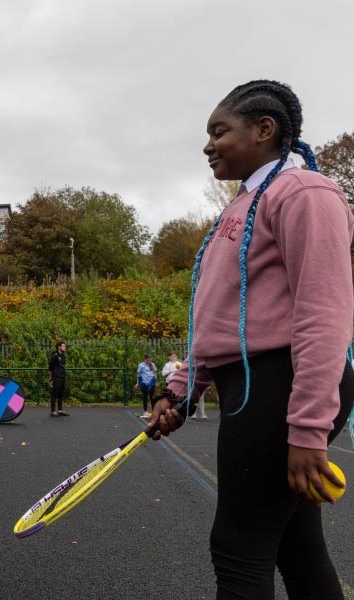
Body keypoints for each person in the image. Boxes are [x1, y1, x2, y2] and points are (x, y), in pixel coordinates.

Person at [150, 80, 354, 599]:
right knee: (296, 547)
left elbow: (324, 315)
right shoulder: (242, 204)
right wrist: (180, 390)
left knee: (238, 546)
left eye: (220, 131)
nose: (208, 144)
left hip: (281, 386)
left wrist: (308, 429)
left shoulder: (306, 193)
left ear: (264, 130)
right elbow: (216, 320)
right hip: (253, 387)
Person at [162, 353, 206, 418]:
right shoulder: (168, 365)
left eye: (175, 356)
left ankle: (202, 413)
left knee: (201, 398)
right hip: (178, 383)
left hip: (198, 382)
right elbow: (164, 373)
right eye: (172, 356)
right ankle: (192, 413)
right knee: (189, 398)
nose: (173, 357)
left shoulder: (180, 364)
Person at [48, 341, 68, 416]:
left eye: (65, 346)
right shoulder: (54, 355)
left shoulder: (64, 356)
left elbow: (62, 366)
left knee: (61, 394)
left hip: (62, 376)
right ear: (59, 347)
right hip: (56, 377)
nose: (65, 348)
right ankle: (53, 411)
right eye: (63, 346)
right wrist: (50, 376)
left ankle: (60, 410)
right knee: (54, 394)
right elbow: (50, 366)